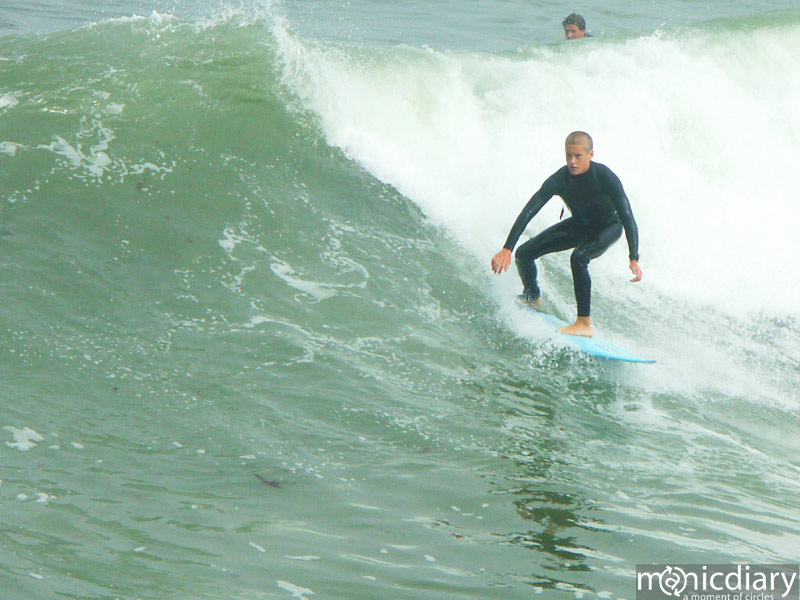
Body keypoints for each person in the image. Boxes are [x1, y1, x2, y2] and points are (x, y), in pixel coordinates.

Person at [490, 131, 642, 337]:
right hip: (580, 225)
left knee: (579, 257)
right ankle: (532, 296)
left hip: (608, 226)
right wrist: (507, 248)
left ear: (591, 154)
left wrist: (634, 257)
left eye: (578, 156)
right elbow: (529, 210)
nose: (572, 161)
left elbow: (627, 216)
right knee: (524, 253)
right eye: (568, 155)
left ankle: (584, 323)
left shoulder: (605, 177)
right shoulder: (559, 179)